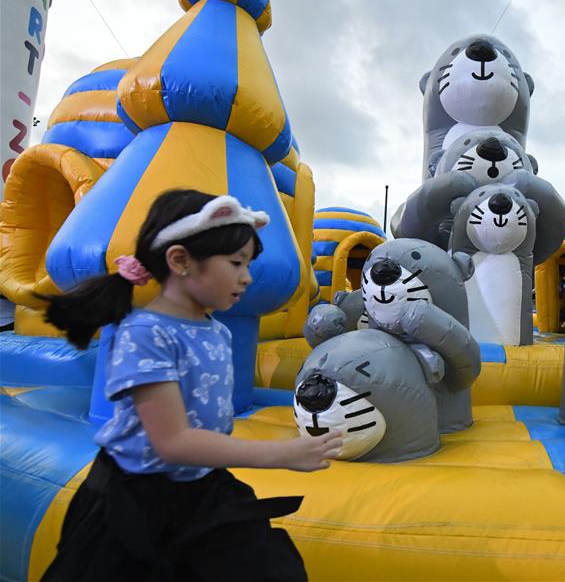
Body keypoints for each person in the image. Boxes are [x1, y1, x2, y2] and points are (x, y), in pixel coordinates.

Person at [37, 189, 341, 582]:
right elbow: (173, 442)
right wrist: (282, 453)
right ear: (180, 260)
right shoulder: (146, 334)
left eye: (248, 264)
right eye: (236, 263)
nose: (247, 277)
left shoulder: (217, 332)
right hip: (135, 499)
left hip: (201, 487)